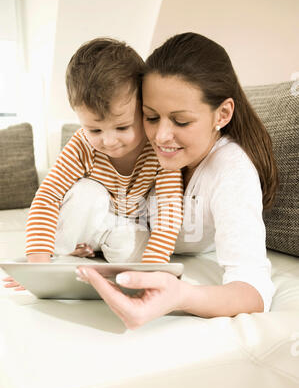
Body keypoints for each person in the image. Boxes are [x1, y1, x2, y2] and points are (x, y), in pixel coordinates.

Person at [75, 32, 278, 329]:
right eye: (151, 117)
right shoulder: (137, 140)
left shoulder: (231, 170)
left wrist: (181, 295)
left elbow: (254, 289)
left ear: (222, 114)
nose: (160, 137)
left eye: (181, 121)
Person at [24, 37, 184, 265]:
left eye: (122, 127)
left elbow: (169, 208)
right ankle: (64, 250)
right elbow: (48, 197)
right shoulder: (82, 146)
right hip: (86, 222)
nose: (108, 141)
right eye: (95, 129)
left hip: (124, 227)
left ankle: (98, 250)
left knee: (135, 245)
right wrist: (37, 262)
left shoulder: (158, 146)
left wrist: (154, 264)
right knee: (87, 192)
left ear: (143, 110)